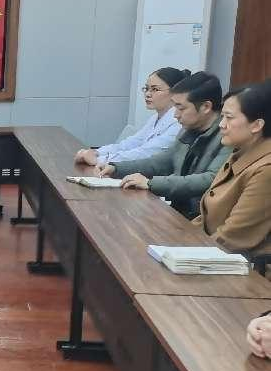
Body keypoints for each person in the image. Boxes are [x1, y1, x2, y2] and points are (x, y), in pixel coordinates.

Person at [98, 71, 228, 218]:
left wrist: (151, 183)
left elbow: (210, 179)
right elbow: (164, 161)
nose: (175, 115)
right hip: (179, 211)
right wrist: (116, 168)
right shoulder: (189, 129)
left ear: (205, 107)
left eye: (181, 108)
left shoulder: (226, 136)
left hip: (200, 217)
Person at [194, 80, 271, 257]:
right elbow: (206, 218)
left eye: (229, 117)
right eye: (222, 117)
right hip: (214, 251)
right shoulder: (240, 152)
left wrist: (185, 251)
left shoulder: (266, 169)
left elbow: (233, 237)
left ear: (257, 125)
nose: (221, 124)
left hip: (248, 266)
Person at [74, 68, 187, 166]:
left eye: (155, 89)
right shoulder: (155, 118)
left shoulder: (178, 123)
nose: (148, 94)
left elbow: (146, 153)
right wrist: (97, 152)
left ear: (175, 92)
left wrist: (99, 160)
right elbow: (129, 144)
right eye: (146, 88)